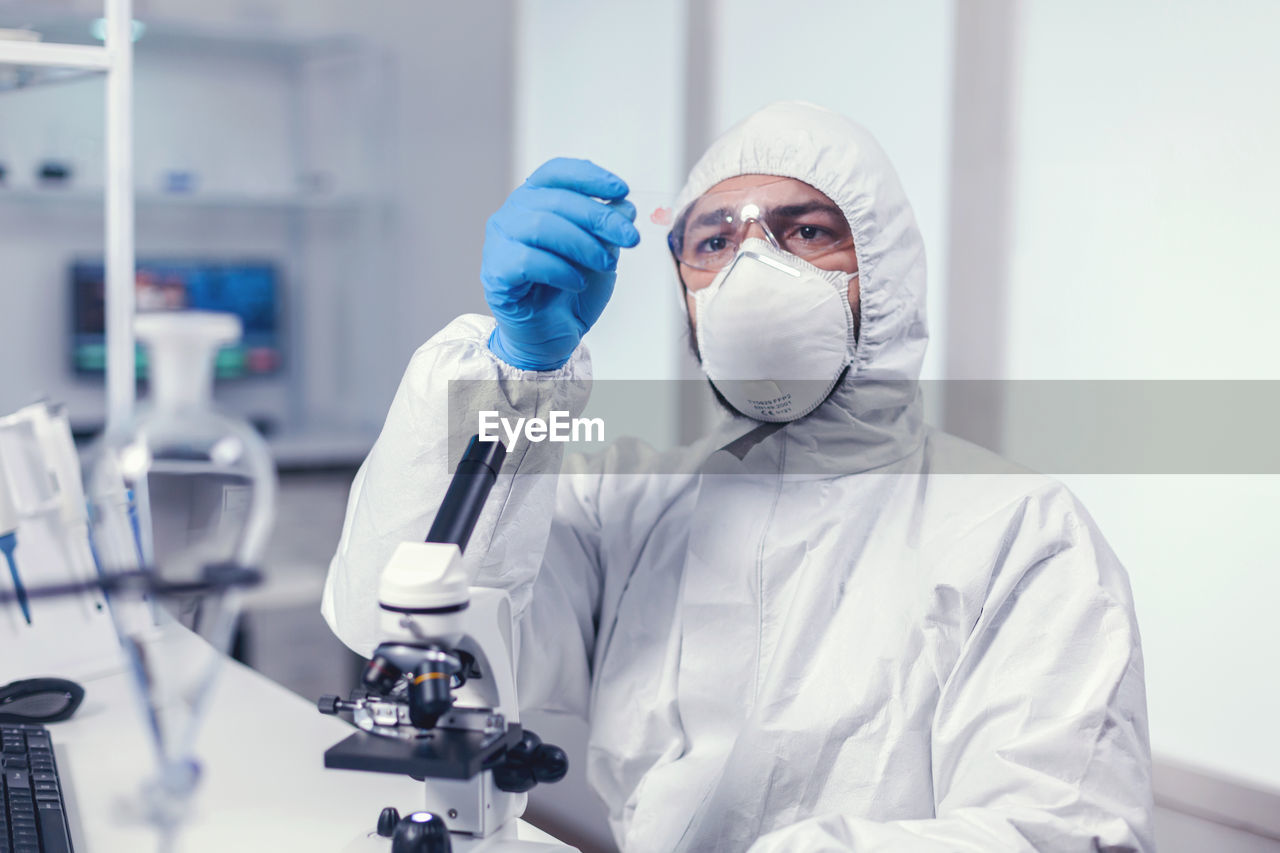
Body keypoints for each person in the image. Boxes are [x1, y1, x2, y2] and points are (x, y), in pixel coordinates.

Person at [322, 101, 1154, 852]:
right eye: (715, 242)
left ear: (887, 271)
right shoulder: (631, 503)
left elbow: (1057, 831)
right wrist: (515, 376)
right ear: (686, 293)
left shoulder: (1019, 533)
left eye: (805, 232)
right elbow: (409, 621)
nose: (754, 271)